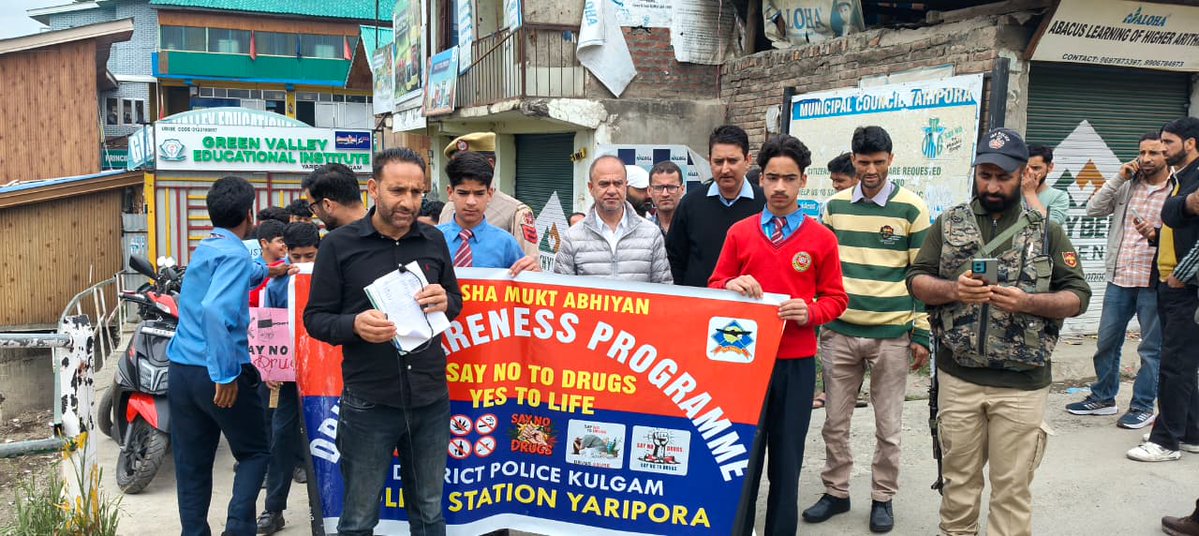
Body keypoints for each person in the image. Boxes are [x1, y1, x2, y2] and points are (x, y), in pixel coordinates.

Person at [908, 127, 1091, 536]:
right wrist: (953, 290)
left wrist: (1027, 302)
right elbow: (916, 279)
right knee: (958, 484)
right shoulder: (950, 223)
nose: (992, 186)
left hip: (1022, 385)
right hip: (958, 378)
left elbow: (1079, 295)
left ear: (1025, 175)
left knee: (1011, 491)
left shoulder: (1046, 231)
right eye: (984, 175)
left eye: (1003, 177)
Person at [304, 147, 462, 536]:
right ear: (373, 189)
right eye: (397, 191)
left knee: (429, 512)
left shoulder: (433, 240)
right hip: (369, 402)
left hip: (430, 398)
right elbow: (315, 319)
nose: (408, 202)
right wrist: (354, 325)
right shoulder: (339, 245)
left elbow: (455, 301)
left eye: (416, 192)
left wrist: (445, 300)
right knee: (359, 518)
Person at [709, 134, 848, 536]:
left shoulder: (821, 238)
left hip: (795, 365)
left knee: (787, 464)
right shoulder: (740, 232)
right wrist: (731, 284)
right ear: (761, 179)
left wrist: (810, 311)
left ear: (803, 181)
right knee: (742, 462)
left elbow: (837, 299)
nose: (780, 188)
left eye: (789, 178)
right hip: (744, 363)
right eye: (772, 178)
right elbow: (714, 285)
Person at [804, 126, 931, 533]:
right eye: (863, 163)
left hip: (892, 334)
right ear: (853, 160)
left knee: (888, 426)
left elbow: (921, 275)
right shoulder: (834, 207)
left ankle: (882, 498)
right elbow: (821, 269)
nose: (871, 170)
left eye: (878, 162)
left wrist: (922, 333)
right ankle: (836, 492)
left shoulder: (912, 209)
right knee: (834, 422)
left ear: (890, 159)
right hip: (839, 331)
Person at [166, 176, 293, 536]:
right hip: (217, 372)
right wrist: (224, 375)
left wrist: (268, 270)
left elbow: (240, 273)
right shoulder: (235, 253)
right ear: (249, 214)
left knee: (191, 464)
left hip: (181, 371)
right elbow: (215, 310)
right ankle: (238, 528)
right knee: (255, 452)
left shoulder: (208, 247)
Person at [1065, 133, 1169, 428]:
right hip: (1120, 277)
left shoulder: (1176, 188)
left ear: (1166, 155)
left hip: (1154, 280)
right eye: (1142, 152)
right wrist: (1118, 177)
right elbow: (1093, 209)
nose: (1146, 159)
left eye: (1154, 153)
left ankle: (1142, 406)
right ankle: (1103, 397)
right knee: (1107, 342)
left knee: (1151, 349)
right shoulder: (1128, 184)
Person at [1128, 116, 1199, 463]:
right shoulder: (1183, 177)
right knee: (1183, 364)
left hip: (1185, 287)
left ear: (1190, 143)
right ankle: (1190, 432)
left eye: (1168, 142)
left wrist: (1182, 275)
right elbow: (1175, 220)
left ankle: (1165, 441)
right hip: (1169, 281)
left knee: (1174, 365)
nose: (1162, 148)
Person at [256, 221, 320, 535]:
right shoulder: (276, 285)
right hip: (288, 374)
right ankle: (274, 508)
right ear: (287, 254)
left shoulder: (333, 278)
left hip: (327, 375)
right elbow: (267, 326)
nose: (303, 263)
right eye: (297, 257)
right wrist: (269, 368)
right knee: (281, 437)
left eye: (310, 256)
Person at [667, 125, 765, 287]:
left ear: (748, 161)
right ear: (709, 161)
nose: (725, 169)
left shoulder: (765, 205)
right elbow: (674, 258)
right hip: (698, 299)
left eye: (732, 161)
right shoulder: (690, 203)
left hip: (751, 299)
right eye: (718, 162)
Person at [554, 155, 671, 283]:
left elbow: (663, 288)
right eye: (604, 184)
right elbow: (561, 290)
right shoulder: (572, 237)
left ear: (625, 186)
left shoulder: (651, 234)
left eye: (618, 183)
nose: (611, 190)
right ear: (591, 188)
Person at [437, 132, 540, 258]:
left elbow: (529, 263)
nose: (470, 202)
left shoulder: (515, 212)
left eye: (469, 162)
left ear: (490, 164)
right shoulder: (448, 209)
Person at [305, 163, 368, 231]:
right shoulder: (376, 227)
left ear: (327, 205)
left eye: (313, 208)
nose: (315, 213)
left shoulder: (336, 237)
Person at [1021, 145, 1069, 224]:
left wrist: (1030, 193)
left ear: (1050, 167)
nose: (1030, 172)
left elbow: (1052, 225)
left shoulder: (1059, 196)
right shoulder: (1010, 193)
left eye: (1036, 168)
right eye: (1025, 168)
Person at [249, 220, 287, 308]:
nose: (285, 245)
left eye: (286, 241)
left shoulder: (289, 265)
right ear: (265, 243)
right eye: (280, 241)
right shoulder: (253, 268)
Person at [647, 160, 685, 235]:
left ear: (682, 190)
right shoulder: (641, 230)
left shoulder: (695, 227)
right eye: (658, 188)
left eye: (671, 187)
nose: (665, 194)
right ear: (649, 191)